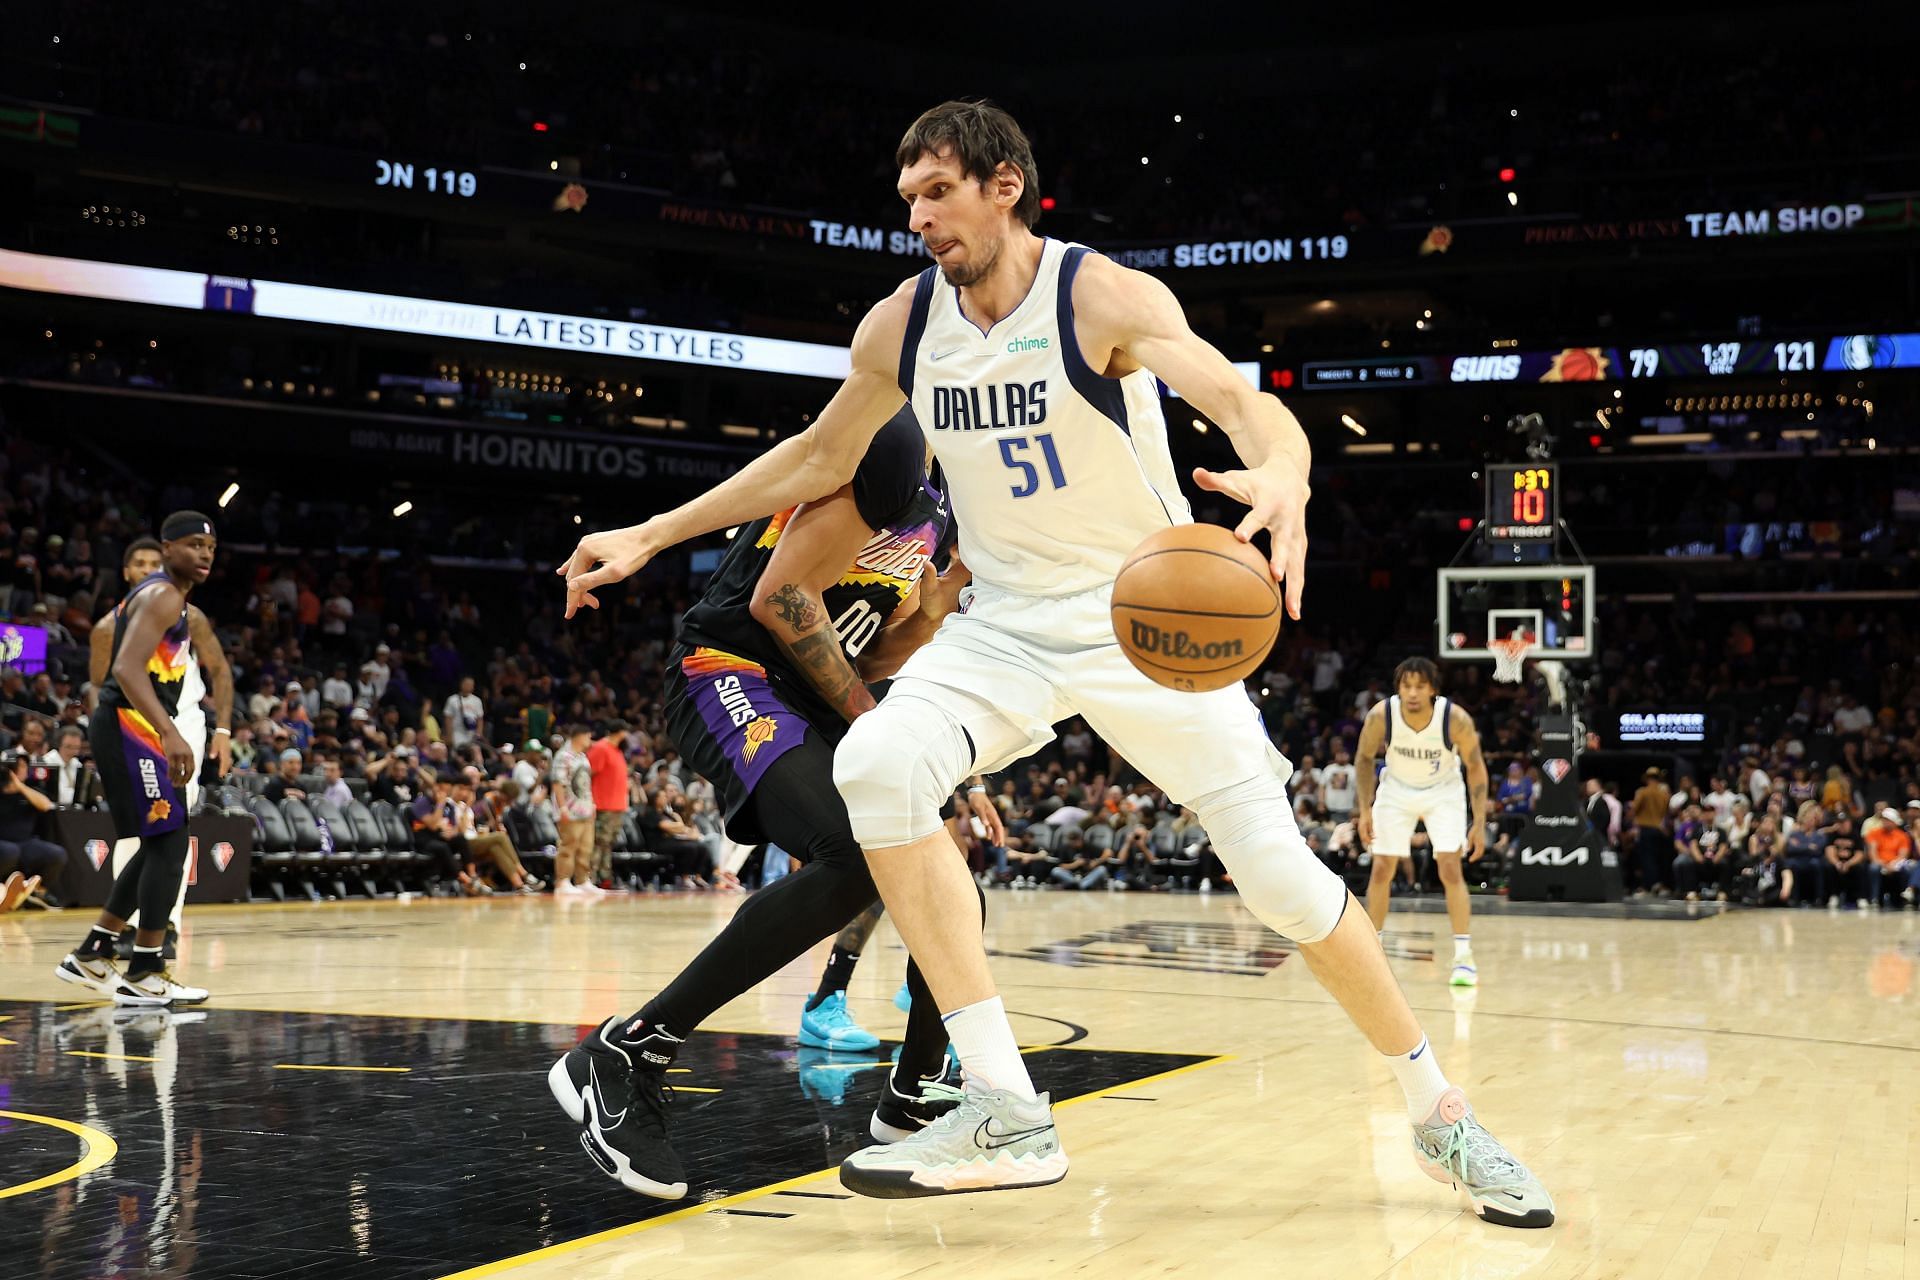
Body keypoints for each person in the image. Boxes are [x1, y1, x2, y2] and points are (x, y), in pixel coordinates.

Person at [558, 100, 1550, 1224]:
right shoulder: (902, 323)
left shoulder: (1097, 296)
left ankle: (1441, 1111)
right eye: (908, 199)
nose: (919, 215)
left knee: (1279, 878)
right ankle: (1005, 1103)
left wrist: (1286, 475)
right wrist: (653, 531)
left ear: (1004, 185)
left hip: (1142, 619)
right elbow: (819, 454)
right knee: (878, 766)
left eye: (937, 191)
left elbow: (1239, 399)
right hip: (1004, 623)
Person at [549, 405, 992, 1202]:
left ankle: (917, 1092)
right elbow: (779, 597)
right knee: (853, 857)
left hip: (814, 696)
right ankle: (626, 1051)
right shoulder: (888, 434)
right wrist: (871, 716)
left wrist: (924, 624)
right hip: (731, 668)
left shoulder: (944, 504)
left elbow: (870, 648)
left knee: (945, 870)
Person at [55, 512, 218, 1007]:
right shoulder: (163, 594)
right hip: (132, 726)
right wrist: (169, 731)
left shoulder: (169, 597)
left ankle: (92, 953)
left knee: (159, 843)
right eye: (193, 545)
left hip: (134, 726)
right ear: (168, 548)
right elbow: (125, 668)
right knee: (170, 842)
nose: (205, 555)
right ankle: (146, 968)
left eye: (210, 547)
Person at [91, 534, 234, 961]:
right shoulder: (108, 626)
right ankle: (126, 933)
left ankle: (162, 923)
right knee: (147, 834)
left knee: (171, 834)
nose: (150, 568)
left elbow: (222, 672)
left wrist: (223, 730)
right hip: (136, 727)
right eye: (141, 562)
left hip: (184, 725)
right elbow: (104, 686)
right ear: (128, 573)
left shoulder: (191, 615)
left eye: (156, 560)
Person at [1356, 659, 1490, 988]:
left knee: (1449, 868)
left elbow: (1475, 766)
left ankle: (1463, 957)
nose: (1412, 693)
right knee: (1382, 868)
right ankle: (1374, 955)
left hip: (1443, 791)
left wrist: (1480, 821)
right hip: (1397, 790)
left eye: (1419, 686)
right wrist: (1364, 809)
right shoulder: (1380, 715)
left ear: (1433, 689)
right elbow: (1363, 758)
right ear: (1398, 688)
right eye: (1406, 686)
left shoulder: (1455, 718)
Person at [0, 748, 67, 898]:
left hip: (25, 843)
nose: (20, 769)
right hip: (3, 843)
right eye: (16, 765)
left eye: (23, 765)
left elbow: (46, 805)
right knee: (10, 851)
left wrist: (20, 786)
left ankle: (35, 893)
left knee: (56, 854)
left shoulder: (31, 790)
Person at [550, 724, 601, 896]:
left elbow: (586, 784)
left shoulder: (583, 757)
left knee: (586, 847)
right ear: (578, 736)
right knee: (568, 846)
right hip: (569, 809)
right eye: (587, 736)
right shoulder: (563, 756)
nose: (589, 740)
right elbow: (557, 783)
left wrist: (592, 803)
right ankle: (563, 880)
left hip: (585, 808)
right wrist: (562, 807)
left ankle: (582, 880)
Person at [586, 720, 631, 890]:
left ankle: (605, 879)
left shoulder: (617, 750)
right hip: (603, 805)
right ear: (620, 732)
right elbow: (588, 774)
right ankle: (590, 879)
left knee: (608, 844)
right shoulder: (600, 748)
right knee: (598, 843)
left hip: (616, 806)